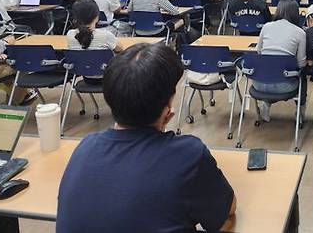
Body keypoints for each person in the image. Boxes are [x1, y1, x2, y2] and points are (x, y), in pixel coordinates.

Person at [56, 43, 236, 232]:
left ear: (110, 98)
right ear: (168, 105)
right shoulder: (187, 155)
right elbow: (227, 211)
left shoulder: (85, 147)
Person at [255, 0, 306, 122]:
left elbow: (259, 52)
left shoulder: (266, 27)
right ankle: (300, 112)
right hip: (285, 85)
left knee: (270, 70)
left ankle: (266, 105)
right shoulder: (300, 32)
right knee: (303, 75)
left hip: (259, 84)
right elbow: (301, 63)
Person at [67, 0, 123, 83]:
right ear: (97, 16)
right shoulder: (105, 35)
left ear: (75, 18)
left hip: (85, 76)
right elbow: (120, 49)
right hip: (109, 78)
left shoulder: (70, 34)